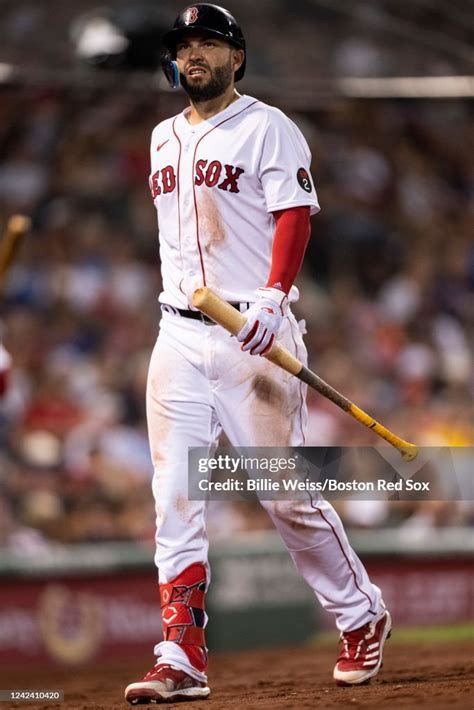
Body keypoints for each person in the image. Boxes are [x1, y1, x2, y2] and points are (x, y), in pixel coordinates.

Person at [125, 4, 391, 704]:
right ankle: (180, 653)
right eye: (185, 46)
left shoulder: (268, 125)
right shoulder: (160, 138)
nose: (195, 56)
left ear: (236, 57)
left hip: (256, 331)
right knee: (173, 496)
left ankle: (361, 614)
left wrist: (274, 297)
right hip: (178, 333)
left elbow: (294, 214)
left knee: (284, 493)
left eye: (209, 43)